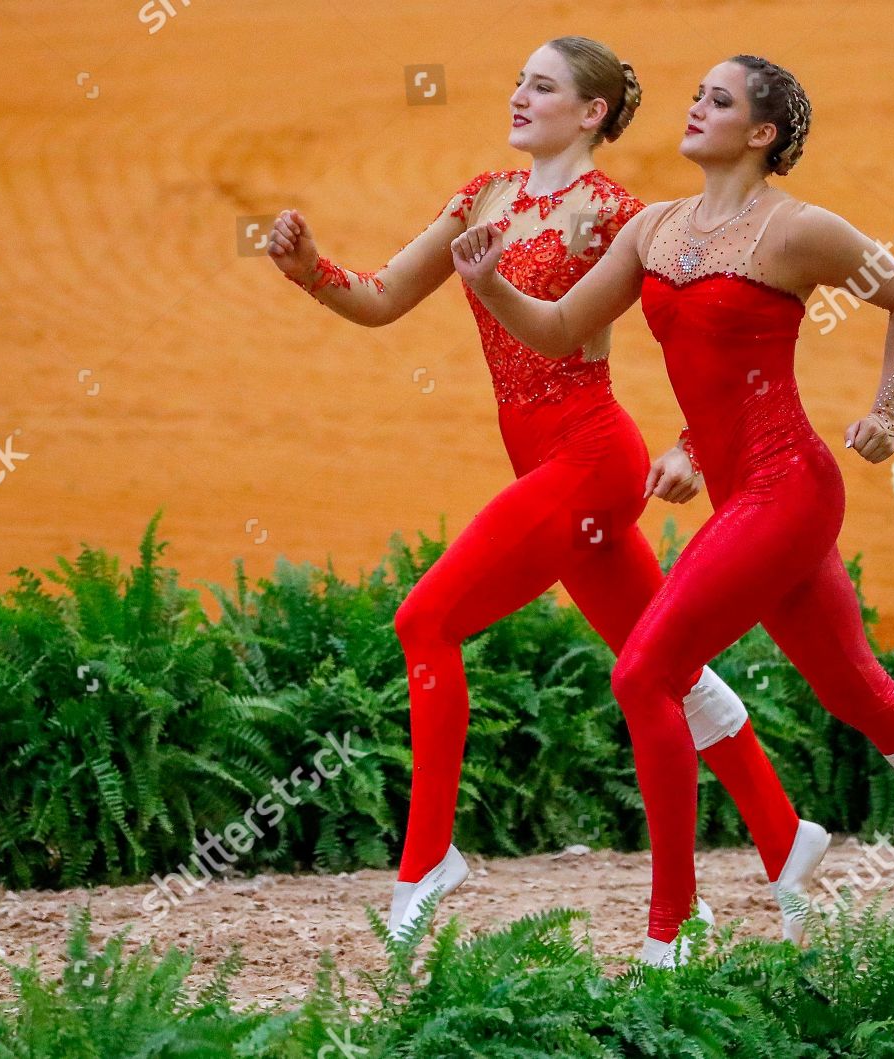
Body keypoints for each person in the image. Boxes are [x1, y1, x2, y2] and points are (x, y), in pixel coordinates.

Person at [449, 53, 894, 966]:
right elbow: (563, 328)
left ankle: (674, 928)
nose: (694, 109)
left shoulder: (797, 230)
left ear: (761, 135)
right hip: (742, 493)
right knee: (854, 689)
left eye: (717, 101)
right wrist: (491, 287)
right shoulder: (654, 229)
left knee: (644, 672)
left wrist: (887, 411)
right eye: (695, 96)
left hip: (791, 486)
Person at [266, 38, 829, 949]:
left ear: (591, 112)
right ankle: (780, 828)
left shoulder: (618, 215)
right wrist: (311, 269)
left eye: (543, 85)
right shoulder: (481, 198)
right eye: (518, 80)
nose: (519, 95)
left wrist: (692, 443)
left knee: (426, 622)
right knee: (665, 663)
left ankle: (426, 860)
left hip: (590, 462)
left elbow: (704, 335)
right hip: (544, 469)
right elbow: (377, 299)